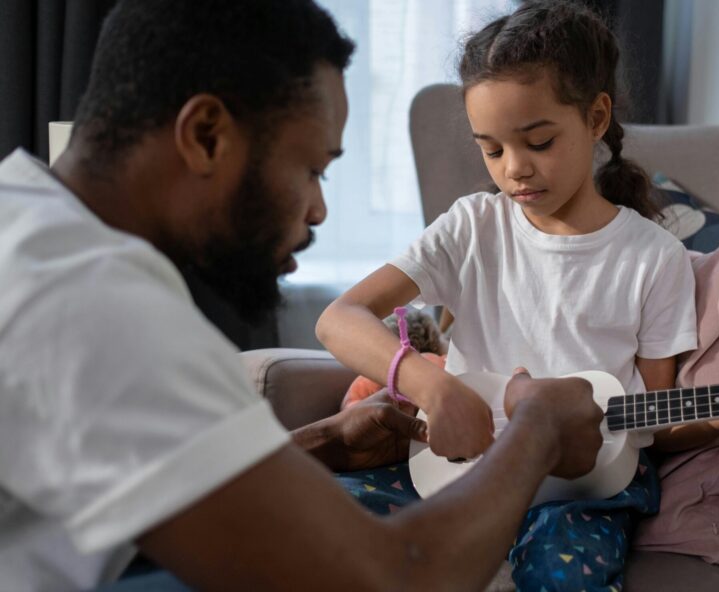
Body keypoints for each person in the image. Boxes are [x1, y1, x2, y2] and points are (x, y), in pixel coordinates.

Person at [0, 1, 611, 591]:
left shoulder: (27, 225)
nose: (318, 209)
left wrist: (324, 441)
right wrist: (539, 429)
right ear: (207, 135)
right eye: (311, 168)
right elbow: (396, 579)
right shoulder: (98, 308)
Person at [315, 2, 719, 590]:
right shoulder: (472, 227)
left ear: (596, 117)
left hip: (584, 490)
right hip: (459, 474)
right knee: (323, 524)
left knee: (563, 576)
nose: (514, 169)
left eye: (538, 141)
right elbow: (339, 319)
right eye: (491, 150)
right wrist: (432, 386)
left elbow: (655, 419)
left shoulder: (653, 257)